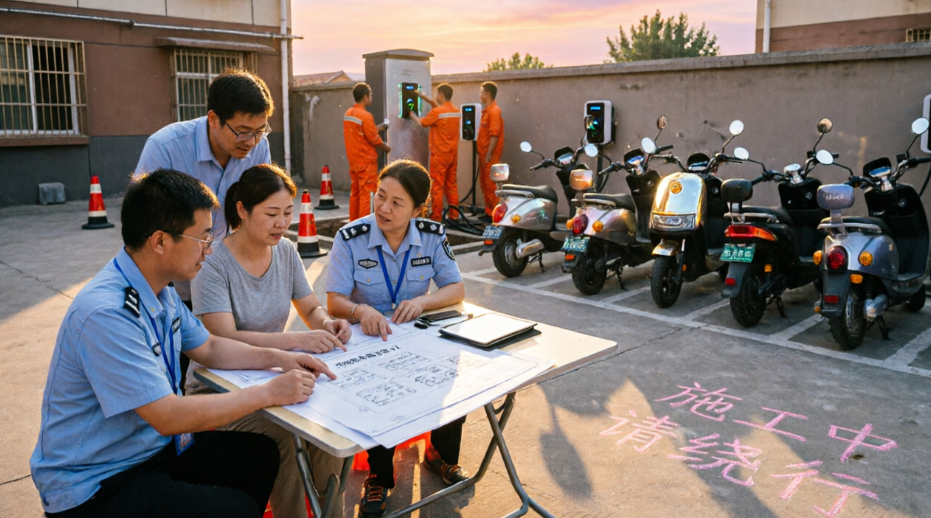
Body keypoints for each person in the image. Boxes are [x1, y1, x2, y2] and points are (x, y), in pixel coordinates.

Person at [30, 169, 336, 518]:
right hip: (97, 481)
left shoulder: (161, 290)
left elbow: (209, 348)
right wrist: (269, 392)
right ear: (160, 241)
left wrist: (282, 359)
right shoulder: (107, 314)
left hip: (152, 451)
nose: (209, 249)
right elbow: (167, 416)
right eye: (202, 238)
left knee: (259, 455)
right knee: (233, 510)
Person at [189, 164, 351, 518]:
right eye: (272, 213)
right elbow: (222, 336)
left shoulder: (286, 251)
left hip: (274, 374)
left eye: (288, 213)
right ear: (242, 210)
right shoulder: (213, 262)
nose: (282, 223)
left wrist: (328, 323)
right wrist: (297, 341)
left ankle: (330, 512)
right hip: (220, 388)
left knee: (330, 427)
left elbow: (310, 307)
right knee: (286, 438)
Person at [325, 160, 467, 518]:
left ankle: (441, 455)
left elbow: (455, 288)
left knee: (451, 377)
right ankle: (379, 477)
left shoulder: (432, 236)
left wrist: (422, 302)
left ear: (418, 210)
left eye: (396, 202)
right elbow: (334, 300)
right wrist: (361, 311)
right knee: (378, 398)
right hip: (371, 340)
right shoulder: (350, 238)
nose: (384, 208)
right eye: (381, 196)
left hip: (416, 334)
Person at [134, 68, 275, 304]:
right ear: (213, 119)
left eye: (260, 131)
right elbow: (142, 229)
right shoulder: (165, 148)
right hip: (174, 290)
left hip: (229, 284)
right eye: (242, 132)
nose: (251, 142)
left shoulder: (259, 147)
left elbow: (258, 211)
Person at [408, 83, 460, 222]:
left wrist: (410, 113)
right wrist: (424, 97)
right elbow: (438, 108)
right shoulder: (455, 110)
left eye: (437, 94)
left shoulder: (438, 112)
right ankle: (454, 215)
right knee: (451, 185)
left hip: (439, 155)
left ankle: (436, 218)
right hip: (452, 155)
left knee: (437, 186)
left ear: (441, 95)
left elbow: (421, 123)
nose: (436, 96)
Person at [344, 82, 392, 221]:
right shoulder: (365, 115)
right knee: (368, 194)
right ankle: (365, 225)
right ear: (365, 97)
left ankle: (354, 224)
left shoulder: (349, 113)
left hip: (354, 161)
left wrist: (376, 128)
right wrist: (387, 148)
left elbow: (360, 132)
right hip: (366, 162)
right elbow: (374, 139)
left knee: (355, 194)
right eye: (370, 95)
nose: (371, 97)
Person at [477, 81, 504, 223]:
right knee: (484, 184)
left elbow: (494, 134)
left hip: (490, 156)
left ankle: (495, 215)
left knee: (491, 185)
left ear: (487, 94)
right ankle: (489, 212)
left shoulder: (494, 111)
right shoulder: (487, 111)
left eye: (481, 92)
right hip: (484, 154)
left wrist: (488, 154)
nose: (479, 95)